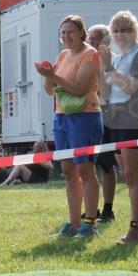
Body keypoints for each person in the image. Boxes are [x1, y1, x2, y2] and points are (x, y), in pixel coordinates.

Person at [35, 14, 102, 239]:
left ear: (82, 33)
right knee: (67, 171)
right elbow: (50, 90)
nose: (66, 36)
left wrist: (53, 75)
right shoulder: (63, 54)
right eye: (63, 32)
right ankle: (73, 223)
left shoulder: (90, 54)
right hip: (62, 117)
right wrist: (48, 76)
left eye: (70, 31)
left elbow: (79, 89)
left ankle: (89, 222)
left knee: (85, 170)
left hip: (85, 116)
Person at [98, 10, 138, 243]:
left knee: (133, 175)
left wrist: (109, 68)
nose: (121, 34)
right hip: (116, 117)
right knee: (127, 176)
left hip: (134, 117)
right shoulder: (118, 58)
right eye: (117, 30)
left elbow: (131, 88)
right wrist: (102, 68)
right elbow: (108, 93)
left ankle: (136, 228)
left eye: (126, 30)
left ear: (135, 32)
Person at [88, 23, 117, 222]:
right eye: (88, 38)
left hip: (107, 114)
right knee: (89, 165)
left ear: (105, 41)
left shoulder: (112, 61)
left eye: (93, 39)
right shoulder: (86, 58)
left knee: (106, 165)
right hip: (88, 115)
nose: (89, 42)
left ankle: (108, 209)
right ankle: (91, 208)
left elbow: (108, 93)